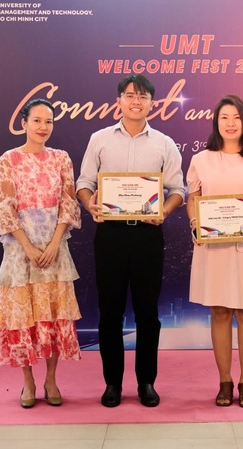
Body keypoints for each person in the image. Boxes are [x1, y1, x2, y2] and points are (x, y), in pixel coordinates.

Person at [76, 74, 185, 408]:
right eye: (130, 95)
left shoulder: (164, 143)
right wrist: (90, 203)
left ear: (152, 103)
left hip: (147, 234)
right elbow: (84, 183)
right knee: (109, 313)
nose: (136, 101)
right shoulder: (99, 139)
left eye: (143, 97)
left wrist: (165, 210)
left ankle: (146, 382)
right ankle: (112, 383)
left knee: (147, 313)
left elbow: (178, 190)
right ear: (119, 101)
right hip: (110, 235)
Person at [0, 98, 82, 408]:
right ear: (24, 123)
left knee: (53, 315)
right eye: (37, 121)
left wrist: (54, 243)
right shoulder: (8, 160)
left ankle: (51, 379)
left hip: (55, 250)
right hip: (20, 252)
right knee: (23, 318)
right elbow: (3, 207)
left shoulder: (61, 158)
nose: (43, 127)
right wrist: (28, 247)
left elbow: (68, 203)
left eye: (49, 121)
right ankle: (27, 382)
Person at [186, 95, 243, 408]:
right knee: (220, 312)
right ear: (216, 122)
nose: (230, 123)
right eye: (224, 117)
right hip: (214, 249)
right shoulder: (202, 159)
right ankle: (225, 381)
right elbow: (193, 198)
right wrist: (195, 225)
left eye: (236, 117)